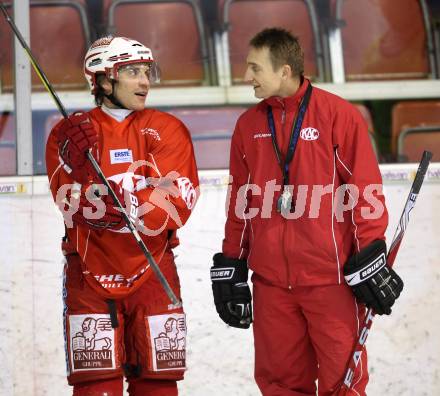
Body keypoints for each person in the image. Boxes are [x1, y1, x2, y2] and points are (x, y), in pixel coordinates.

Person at [210, 28, 403, 395]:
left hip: (330, 283)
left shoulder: (338, 116)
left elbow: (365, 194)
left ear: (284, 70)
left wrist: (369, 255)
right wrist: (232, 263)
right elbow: (241, 204)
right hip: (271, 287)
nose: (247, 77)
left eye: (255, 68)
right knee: (280, 385)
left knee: (342, 385)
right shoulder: (248, 126)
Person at [46, 36, 199, 396]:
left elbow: (179, 199)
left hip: (155, 273)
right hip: (87, 271)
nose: (145, 81)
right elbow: (68, 198)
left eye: (147, 71)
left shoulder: (168, 128)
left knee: (159, 386)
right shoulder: (69, 134)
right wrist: (86, 181)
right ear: (101, 79)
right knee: (96, 388)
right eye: (132, 72)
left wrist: (126, 203)